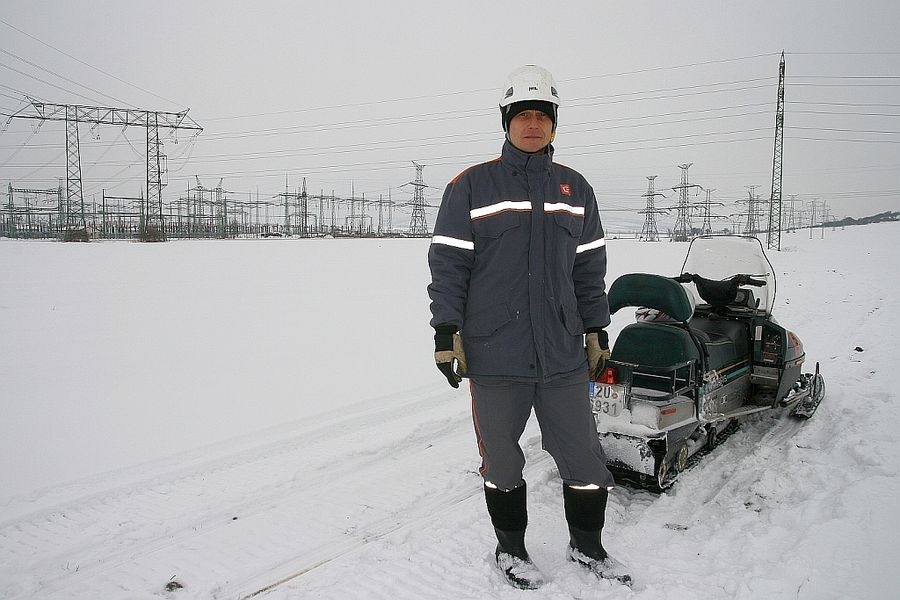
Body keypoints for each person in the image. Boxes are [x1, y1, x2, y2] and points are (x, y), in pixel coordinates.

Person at [427, 65, 631, 589]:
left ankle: (587, 546)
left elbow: (589, 269)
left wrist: (595, 330)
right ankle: (511, 550)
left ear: (555, 125)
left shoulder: (576, 189)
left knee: (584, 456)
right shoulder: (471, 186)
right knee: (501, 460)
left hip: (562, 353)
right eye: (524, 115)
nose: (533, 124)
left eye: (543, 115)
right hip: (495, 355)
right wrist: (446, 331)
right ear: (506, 122)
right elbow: (449, 265)